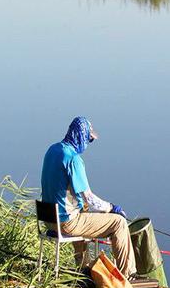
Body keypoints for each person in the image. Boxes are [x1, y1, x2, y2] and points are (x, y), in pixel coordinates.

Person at [41, 116, 137, 278]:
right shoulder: (73, 159)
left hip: (49, 220)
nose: (87, 144)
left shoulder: (53, 150)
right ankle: (128, 275)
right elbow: (89, 199)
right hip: (66, 223)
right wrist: (112, 208)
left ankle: (83, 269)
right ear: (81, 136)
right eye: (88, 139)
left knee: (83, 211)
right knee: (119, 223)